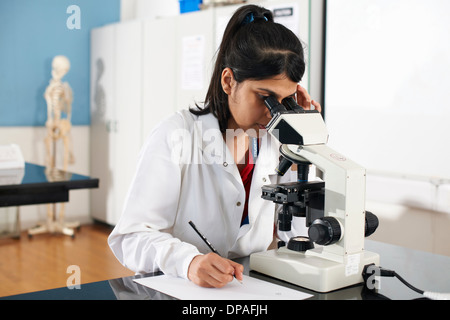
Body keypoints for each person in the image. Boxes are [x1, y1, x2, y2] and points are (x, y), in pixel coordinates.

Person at [108, 4, 322, 288]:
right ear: (228, 81)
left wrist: (302, 150)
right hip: (177, 287)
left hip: (248, 286)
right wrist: (188, 262)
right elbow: (131, 237)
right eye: (264, 97)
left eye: (285, 100)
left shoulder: (276, 140)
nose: (274, 112)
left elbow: (299, 238)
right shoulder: (177, 135)